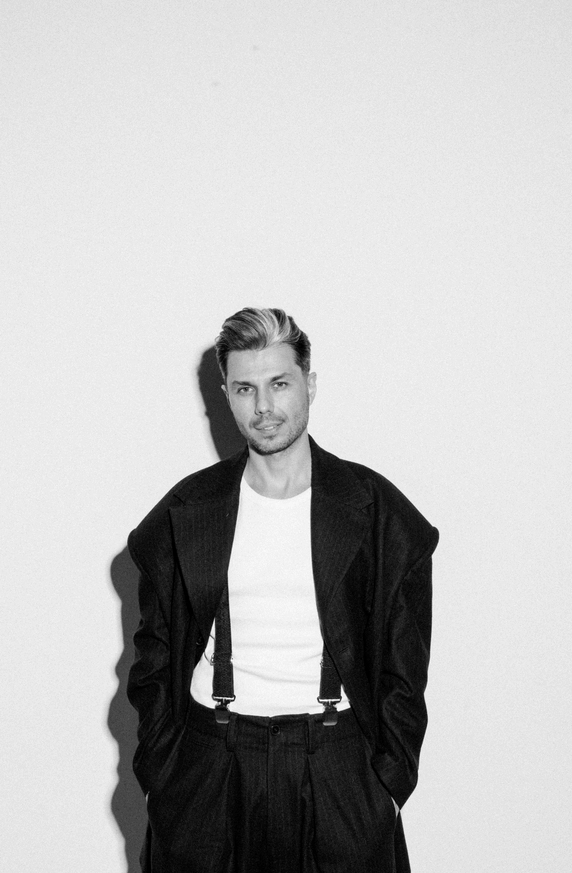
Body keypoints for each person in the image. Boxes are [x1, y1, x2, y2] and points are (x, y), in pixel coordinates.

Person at [127, 307, 438, 873]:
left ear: (309, 385)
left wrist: (389, 784)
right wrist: (162, 777)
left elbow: (405, 665)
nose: (263, 407)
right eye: (245, 388)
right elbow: (153, 658)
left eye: (279, 384)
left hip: (337, 763)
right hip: (210, 764)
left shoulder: (374, 510)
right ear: (225, 394)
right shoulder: (186, 510)